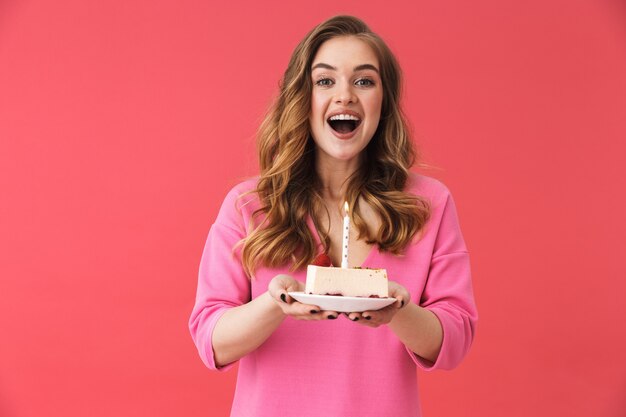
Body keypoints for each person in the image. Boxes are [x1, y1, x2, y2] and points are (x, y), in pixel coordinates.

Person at [189, 15, 477, 417]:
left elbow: (455, 340)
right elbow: (211, 341)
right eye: (325, 81)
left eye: (364, 81)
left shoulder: (428, 205)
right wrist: (275, 304)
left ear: (384, 101)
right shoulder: (248, 205)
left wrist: (398, 312)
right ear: (301, 97)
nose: (345, 96)